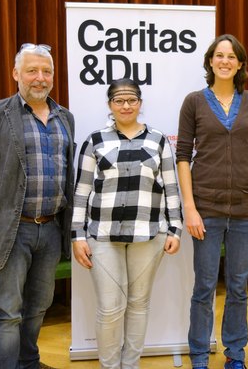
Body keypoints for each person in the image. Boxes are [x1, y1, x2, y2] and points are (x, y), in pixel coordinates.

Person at [0, 43, 75, 369]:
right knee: (6, 310)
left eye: (46, 71)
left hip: (50, 229)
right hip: (9, 230)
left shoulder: (65, 118)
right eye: (32, 71)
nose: (40, 78)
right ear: (15, 74)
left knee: (38, 305)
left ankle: (28, 361)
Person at [71, 78, 182, 369]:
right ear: (110, 105)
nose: (126, 105)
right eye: (119, 100)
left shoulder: (158, 140)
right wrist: (77, 235)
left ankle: (130, 365)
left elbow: (172, 187)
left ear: (140, 103)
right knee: (110, 310)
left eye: (131, 100)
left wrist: (175, 228)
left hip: (149, 234)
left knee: (138, 304)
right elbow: (81, 191)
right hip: (102, 235)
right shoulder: (95, 141)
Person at [176, 34, 248, 369]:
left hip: (245, 208)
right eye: (219, 55)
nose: (225, 61)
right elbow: (183, 156)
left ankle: (235, 354)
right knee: (203, 287)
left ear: (240, 64)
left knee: (239, 287)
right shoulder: (194, 102)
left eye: (232, 56)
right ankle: (199, 354)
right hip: (207, 209)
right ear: (210, 61)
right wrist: (190, 207)